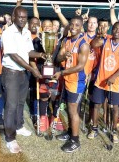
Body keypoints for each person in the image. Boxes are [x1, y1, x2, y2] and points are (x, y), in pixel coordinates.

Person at [1, 6, 45, 153]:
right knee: (11, 105)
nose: (22, 19)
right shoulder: (7, 32)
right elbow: (14, 55)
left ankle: (19, 126)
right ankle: (10, 138)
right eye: (19, 17)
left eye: (25, 17)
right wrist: (32, 69)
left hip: (23, 74)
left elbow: (28, 51)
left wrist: (40, 55)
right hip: (11, 73)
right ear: (14, 17)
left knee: (20, 103)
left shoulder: (26, 32)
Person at [88, 22, 119, 144]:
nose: (117, 30)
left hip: (115, 82)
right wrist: (99, 36)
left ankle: (114, 131)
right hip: (100, 80)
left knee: (115, 108)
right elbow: (92, 44)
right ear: (112, 30)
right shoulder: (105, 40)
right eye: (116, 28)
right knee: (96, 105)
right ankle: (94, 128)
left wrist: (114, 76)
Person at [52, 16, 90, 153]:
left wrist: (62, 73)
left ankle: (75, 140)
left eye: (77, 25)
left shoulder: (83, 44)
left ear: (81, 27)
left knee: (74, 111)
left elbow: (80, 67)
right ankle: (70, 132)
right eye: (72, 25)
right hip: (68, 80)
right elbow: (58, 58)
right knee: (69, 108)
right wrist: (64, 56)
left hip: (77, 82)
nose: (73, 27)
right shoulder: (67, 40)